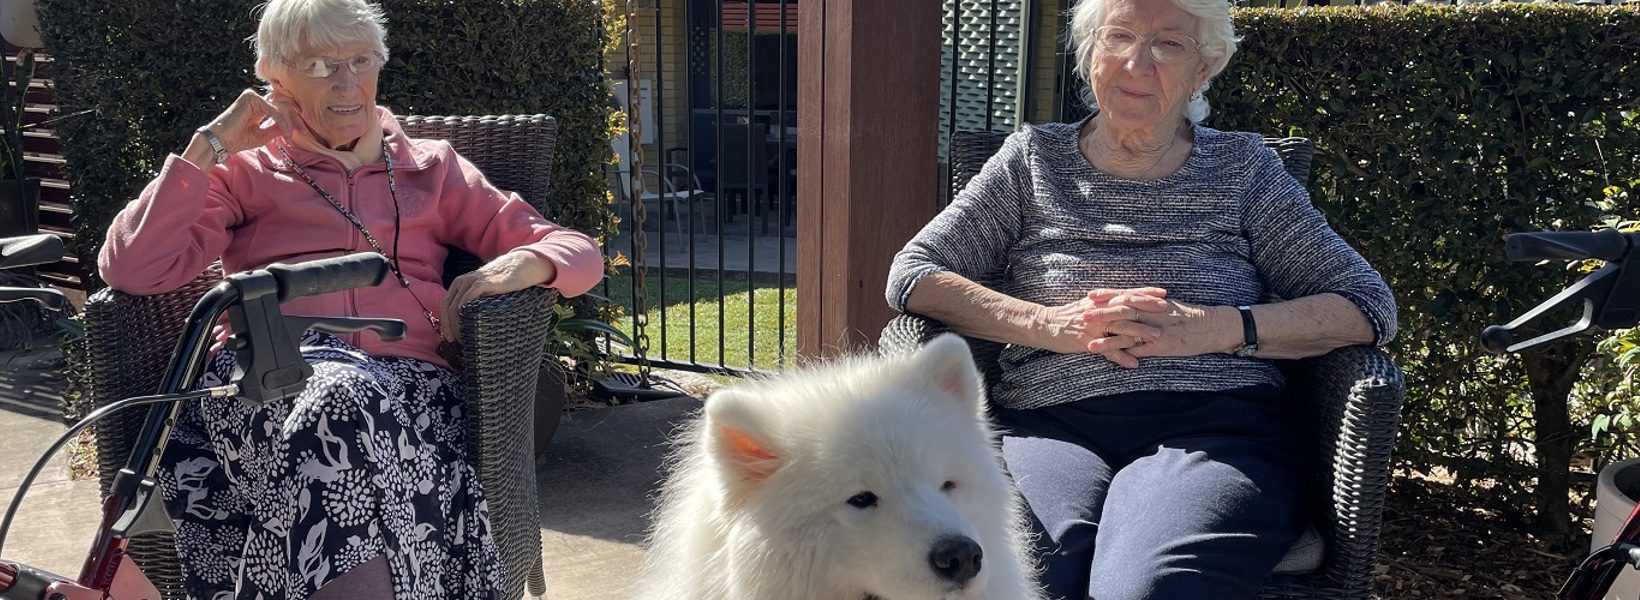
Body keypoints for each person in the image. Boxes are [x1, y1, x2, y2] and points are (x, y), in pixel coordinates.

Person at [884, 0, 1397, 597]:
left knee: (1148, 586)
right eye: (1119, 36)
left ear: (1203, 70)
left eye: (1169, 44)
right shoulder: (1031, 161)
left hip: (1214, 428)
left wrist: (1214, 327)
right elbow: (914, 273)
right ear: (1090, 55)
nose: (1137, 61)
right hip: (1047, 427)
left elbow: (1366, 305)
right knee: (1027, 572)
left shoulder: (1244, 169)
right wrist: (1050, 324)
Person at [96, 0, 602, 597]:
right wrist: (210, 145)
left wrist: (521, 264)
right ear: (275, 80)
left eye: (360, 60)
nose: (346, 82)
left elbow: (578, 251)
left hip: (407, 390)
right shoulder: (247, 173)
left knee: (342, 413)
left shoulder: (433, 170)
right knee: (337, 406)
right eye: (319, 65)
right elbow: (132, 267)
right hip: (267, 382)